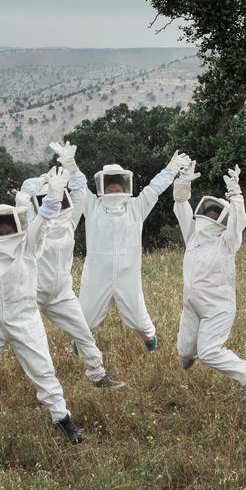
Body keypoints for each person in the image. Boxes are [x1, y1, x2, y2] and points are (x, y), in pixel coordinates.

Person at [0, 162, 126, 391]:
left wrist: (70, 166)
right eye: (45, 200)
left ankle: (97, 374)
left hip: (61, 293)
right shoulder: (32, 223)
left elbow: (80, 191)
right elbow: (23, 197)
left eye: (57, 199)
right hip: (28, 295)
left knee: (82, 332)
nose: (57, 204)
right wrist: (39, 184)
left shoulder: (70, 220)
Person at [0, 163, 85, 450]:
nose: (5, 229)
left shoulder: (28, 245)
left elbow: (44, 219)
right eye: (0, 225)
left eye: (9, 224)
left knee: (43, 370)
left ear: (18, 225)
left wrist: (55, 195)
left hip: (25, 320)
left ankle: (64, 420)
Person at [53, 141, 190, 351]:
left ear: (126, 185)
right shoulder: (93, 206)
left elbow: (154, 189)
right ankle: (81, 344)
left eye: (118, 184)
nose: (114, 188)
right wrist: (71, 165)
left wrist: (171, 169)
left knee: (138, 318)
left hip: (128, 272)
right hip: (97, 272)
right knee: (86, 316)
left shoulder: (136, 207)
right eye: (110, 184)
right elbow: (79, 188)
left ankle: (149, 337)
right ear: (102, 186)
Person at [173, 162, 246, 400]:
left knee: (209, 351)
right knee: (184, 350)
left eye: (215, 212)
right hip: (191, 305)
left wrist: (235, 194)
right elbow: (181, 206)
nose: (210, 215)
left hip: (218, 308)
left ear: (222, 219)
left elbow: (238, 223)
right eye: (208, 210)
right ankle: (189, 355)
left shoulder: (226, 242)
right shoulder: (192, 236)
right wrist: (183, 183)